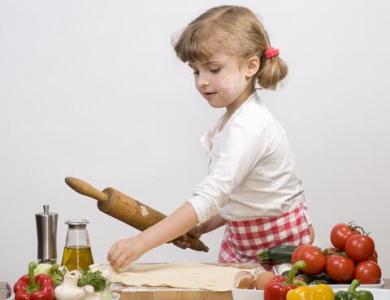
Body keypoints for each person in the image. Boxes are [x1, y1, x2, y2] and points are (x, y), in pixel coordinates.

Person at [107, 5, 314, 271]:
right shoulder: (232, 121)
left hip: (281, 245)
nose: (202, 81)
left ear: (251, 66)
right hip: (243, 242)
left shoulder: (250, 127)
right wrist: (204, 225)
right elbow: (243, 197)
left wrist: (140, 243)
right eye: (196, 71)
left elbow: (211, 196)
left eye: (213, 69)